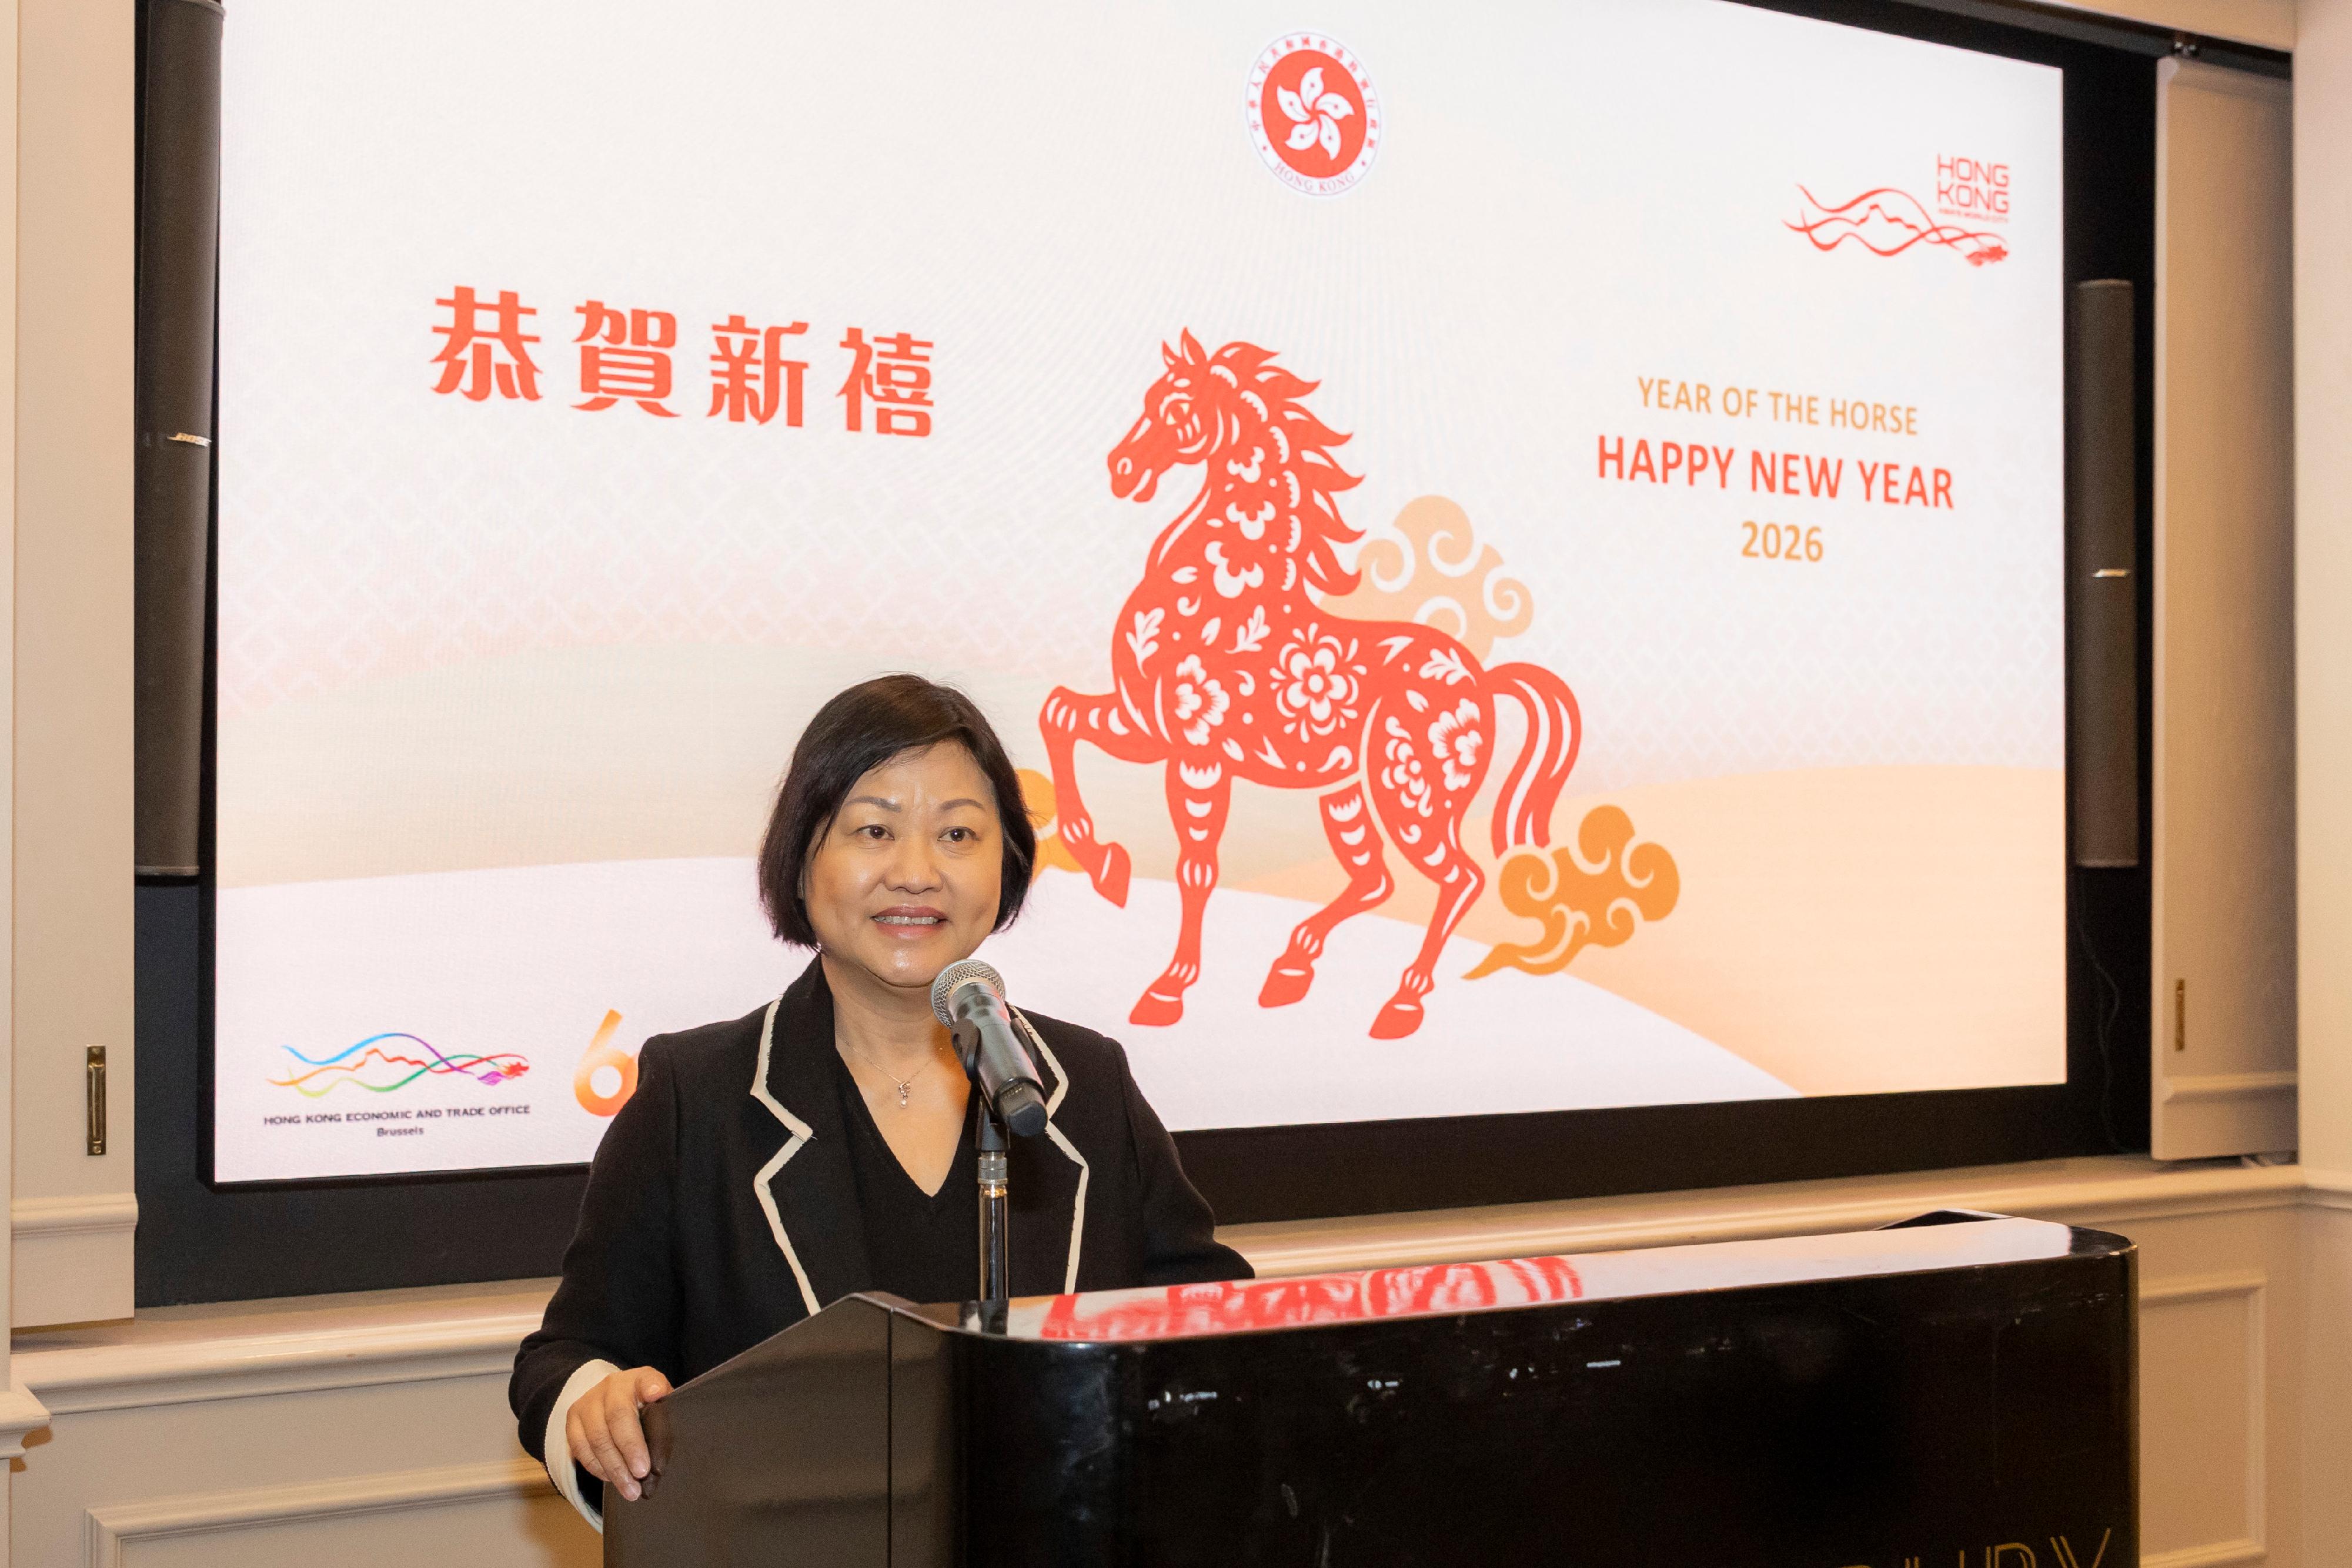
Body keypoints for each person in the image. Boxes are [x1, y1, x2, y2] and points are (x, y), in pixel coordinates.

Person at [509, 674, 1250, 1529]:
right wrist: (596, 1401)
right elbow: (565, 1356)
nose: (915, 872)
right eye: (873, 830)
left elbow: (1212, 1325)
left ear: (1005, 865)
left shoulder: (1084, 1087)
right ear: (803, 857)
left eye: (959, 833)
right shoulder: (692, 1097)